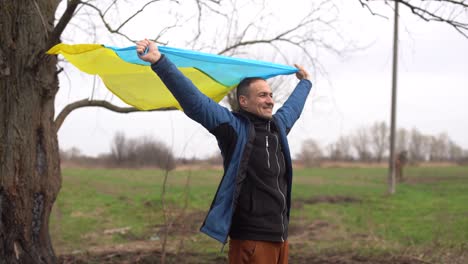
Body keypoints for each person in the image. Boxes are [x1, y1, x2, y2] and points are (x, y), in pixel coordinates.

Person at [137, 39, 312, 264]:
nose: (270, 101)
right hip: (251, 239)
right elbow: (196, 102)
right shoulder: (234, 128)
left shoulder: (277, 127)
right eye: (262, 96)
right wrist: (160, 62)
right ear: (243, 101)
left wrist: (305, 83)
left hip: (280, 236)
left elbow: (293, 108)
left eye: (270, 95)